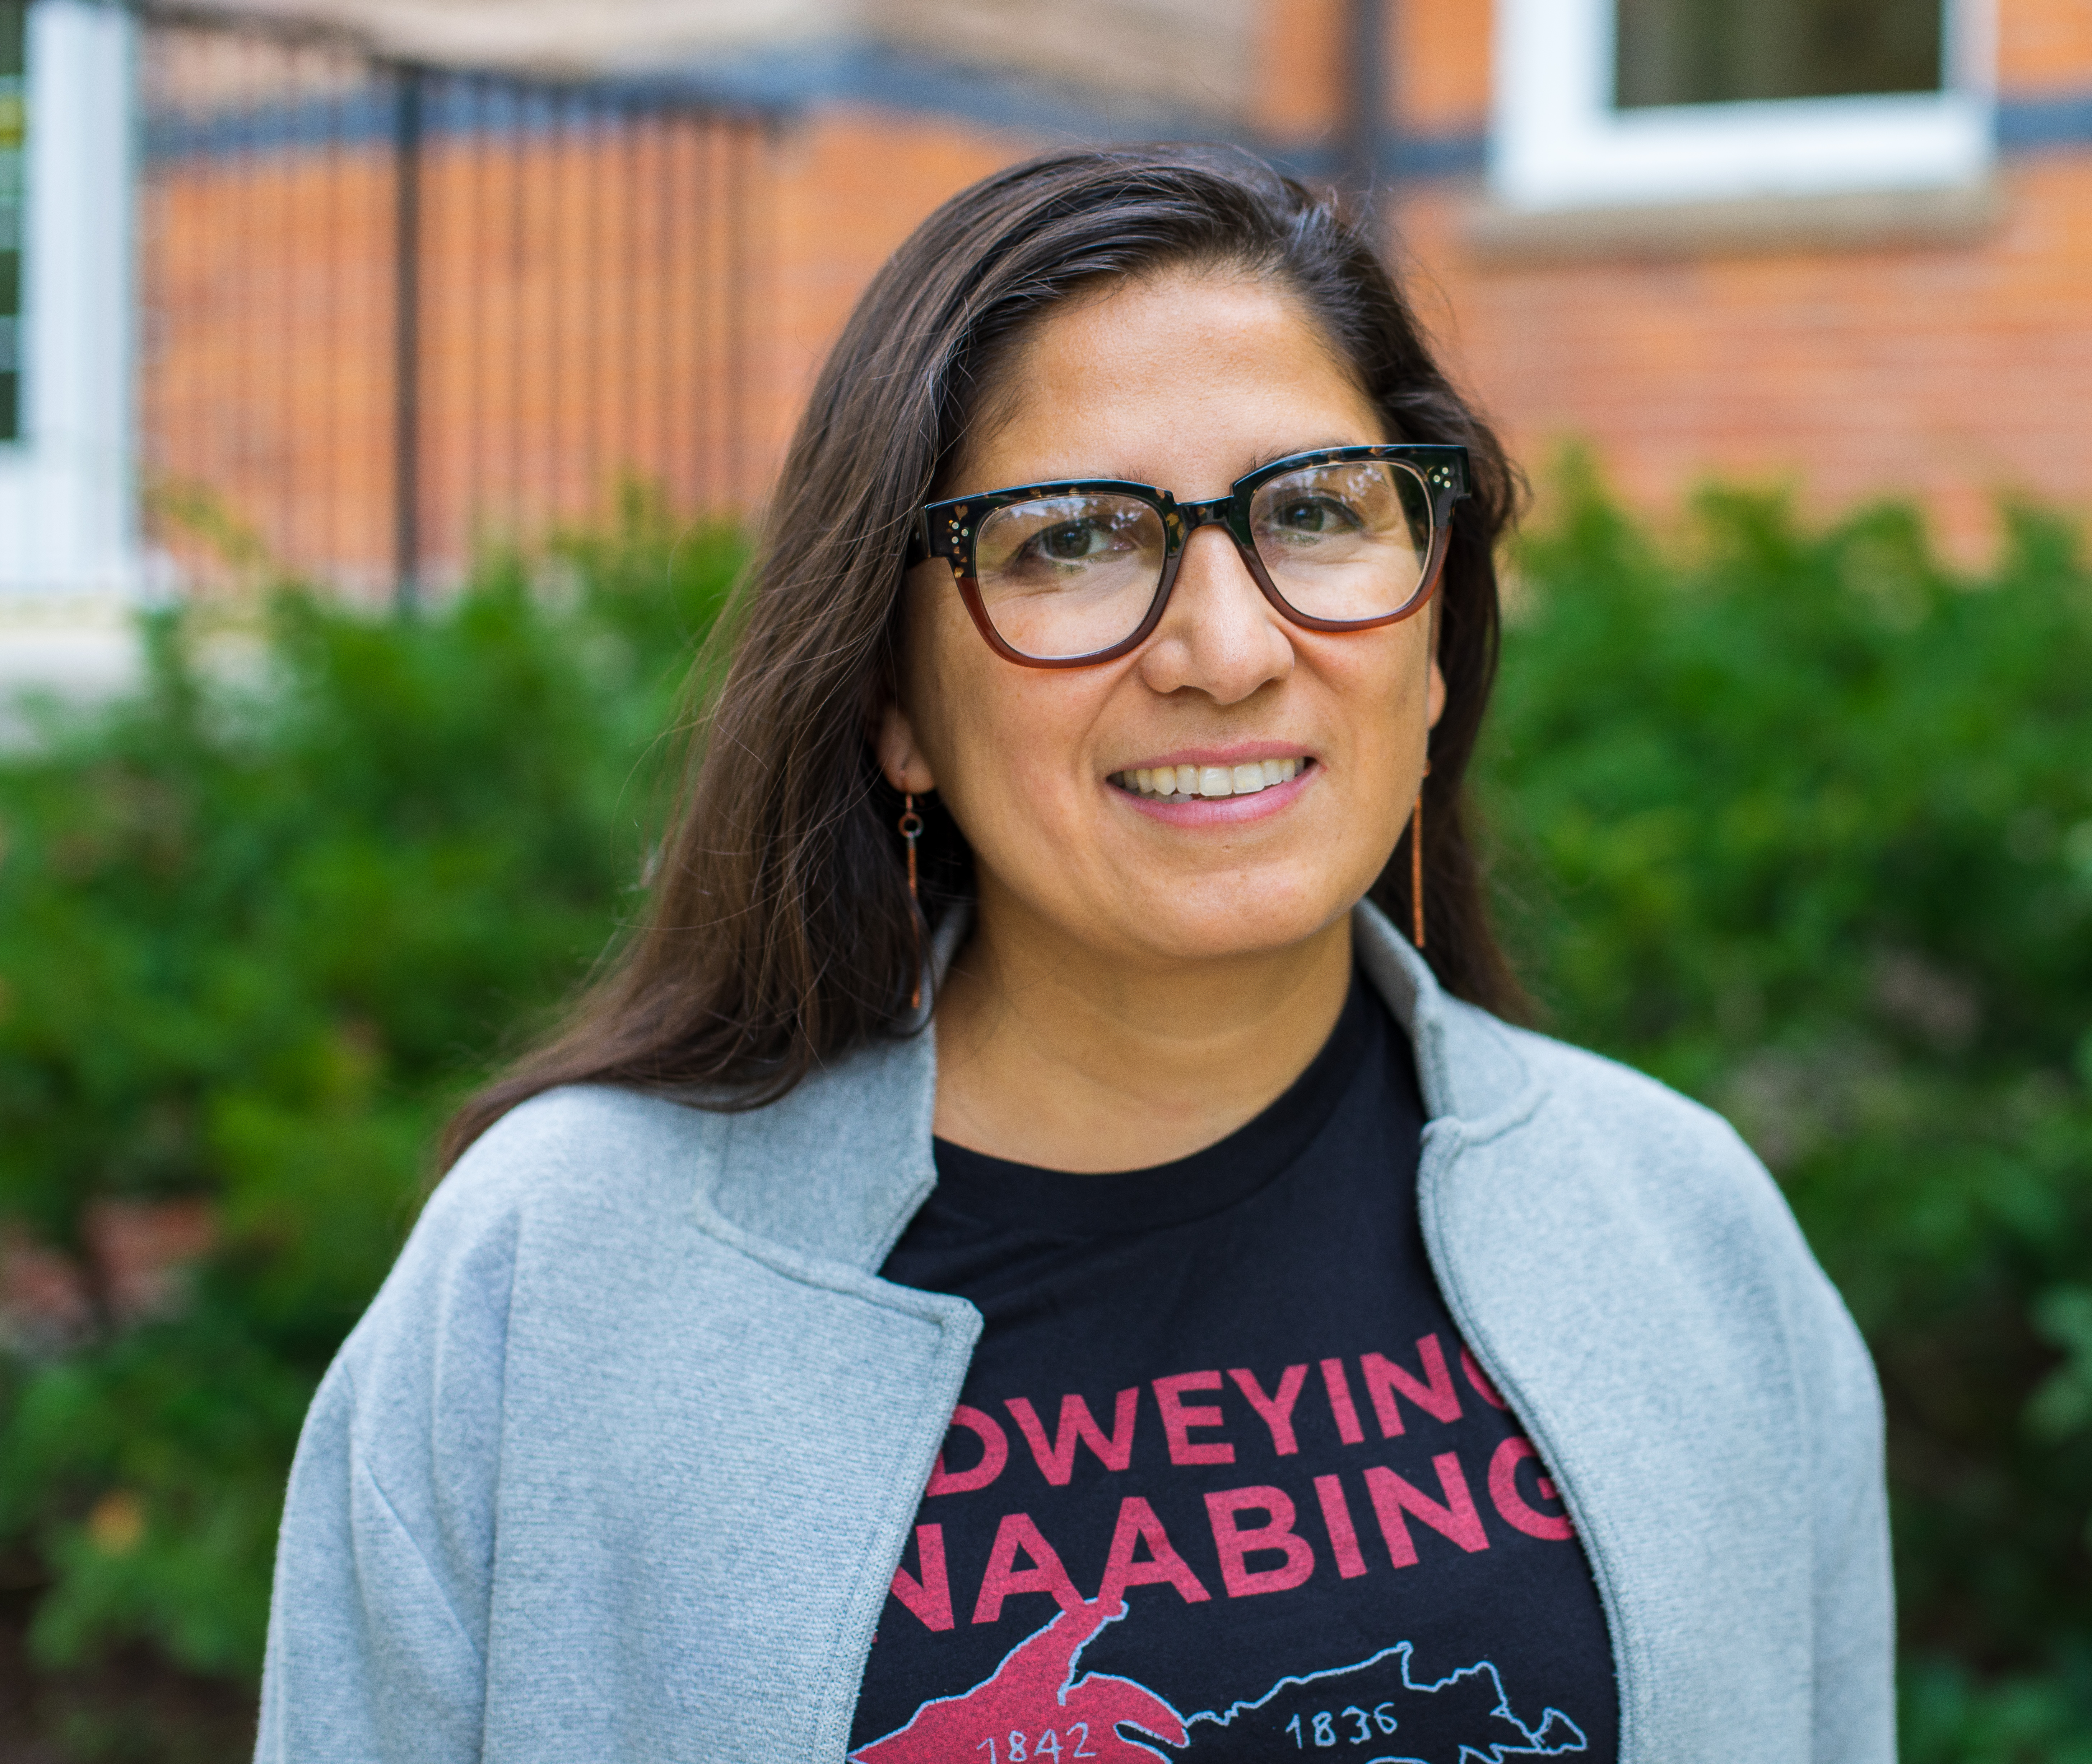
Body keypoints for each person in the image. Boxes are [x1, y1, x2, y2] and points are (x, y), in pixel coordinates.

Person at [254, 145, 1892, 1763]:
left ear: (1437, 628)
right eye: (1073, 541)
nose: (1228, 650)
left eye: (1315, 511)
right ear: (891, 699)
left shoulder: (1689, 1231)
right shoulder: (555, 1281)